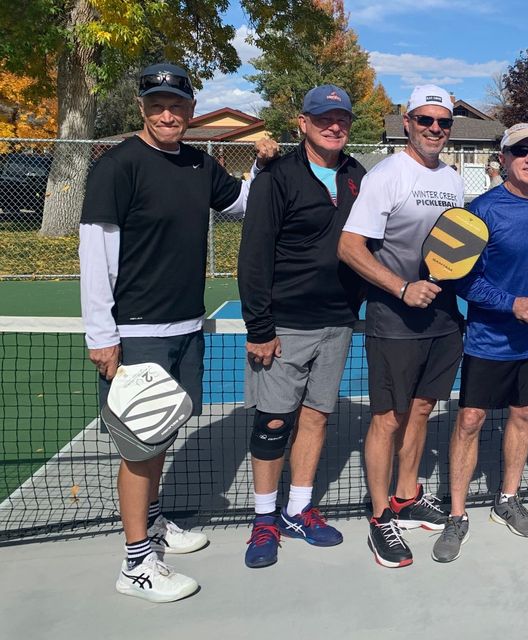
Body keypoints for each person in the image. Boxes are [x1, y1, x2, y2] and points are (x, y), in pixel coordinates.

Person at [80, 62, 276, 602]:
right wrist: (102, 333)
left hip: (187, 326)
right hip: (135, 332)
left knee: (161, 432)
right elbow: (95, 252)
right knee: (138, 447)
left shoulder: (197, 163)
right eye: (156, 104)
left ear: (190, 111)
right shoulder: (117, 166)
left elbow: (239, 204)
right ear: (142, 107)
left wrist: (261, 167)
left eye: (177, 105)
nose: (167, 113)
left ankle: (156, 522)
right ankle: (136, 564)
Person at [238, 85, 365, 568]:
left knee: (316, 417)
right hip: (283, 326)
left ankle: (297, 510)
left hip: (337, 322)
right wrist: (260, 325)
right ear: (303, 122)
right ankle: (264, 518)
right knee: (273, 423)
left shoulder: (357, 175)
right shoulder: (277, 176)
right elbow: (253, 256)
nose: (334, 126)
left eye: (342, 119)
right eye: (324, 118)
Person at [338, 84, 462, 567]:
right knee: (387, 417)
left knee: (423, 408)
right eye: (425, 120)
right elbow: (350, 247)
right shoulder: (386, 175)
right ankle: (379, 517)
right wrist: (401, 288)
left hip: (444, 316)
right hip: (394, 317)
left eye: (443, 122)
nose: (435, 128)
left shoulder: (452, 178)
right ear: (407, 122)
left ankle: (407, 495)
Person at [431, 123, 528, 562]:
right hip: (489, 341)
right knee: (469, 420)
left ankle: (507, 499)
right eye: (521, 151)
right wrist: (513, 304)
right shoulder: (483, 209)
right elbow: (465, 281)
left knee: (524, 415)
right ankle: (456, 514)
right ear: (503, 159)